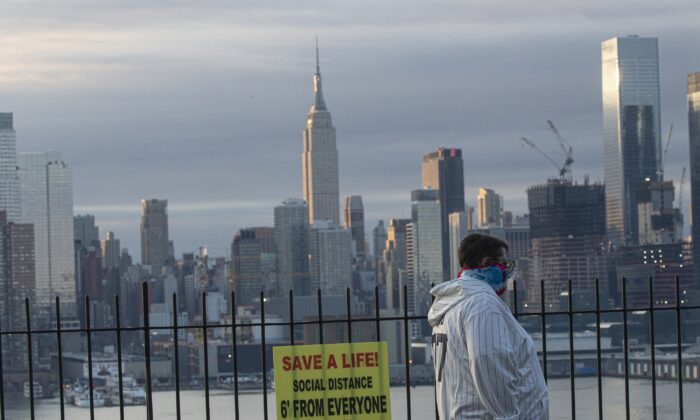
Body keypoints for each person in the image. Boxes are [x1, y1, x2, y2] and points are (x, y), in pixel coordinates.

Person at [429, 233, 548, 419]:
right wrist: (509, 416)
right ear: (486, 263)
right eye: (504, 264)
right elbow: (489, 364)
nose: (507, 271)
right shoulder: (482, 305)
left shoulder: (451, 308)